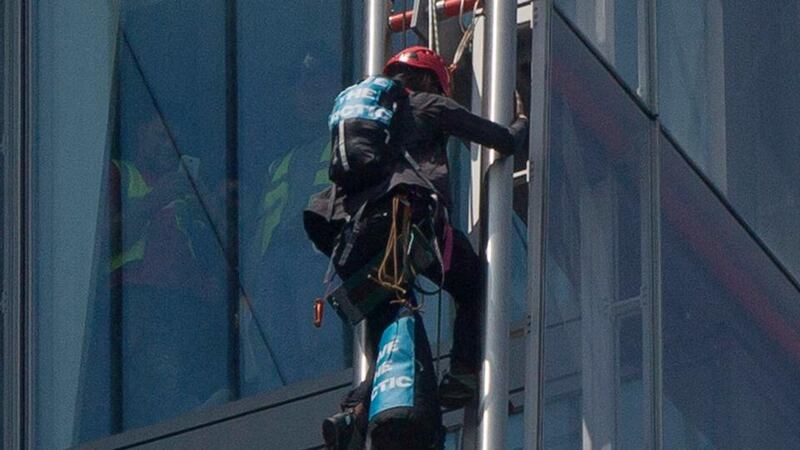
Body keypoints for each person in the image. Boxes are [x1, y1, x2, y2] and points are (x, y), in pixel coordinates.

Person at [304, 46, 528, 449]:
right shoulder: (426, 104)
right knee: (475, 281)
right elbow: (499, 140)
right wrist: (521, 125)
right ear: (429, 81)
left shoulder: (372, 126)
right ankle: (462, 375)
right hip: (405, 221)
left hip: (353, 237)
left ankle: (353, 413)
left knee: (392, 324)